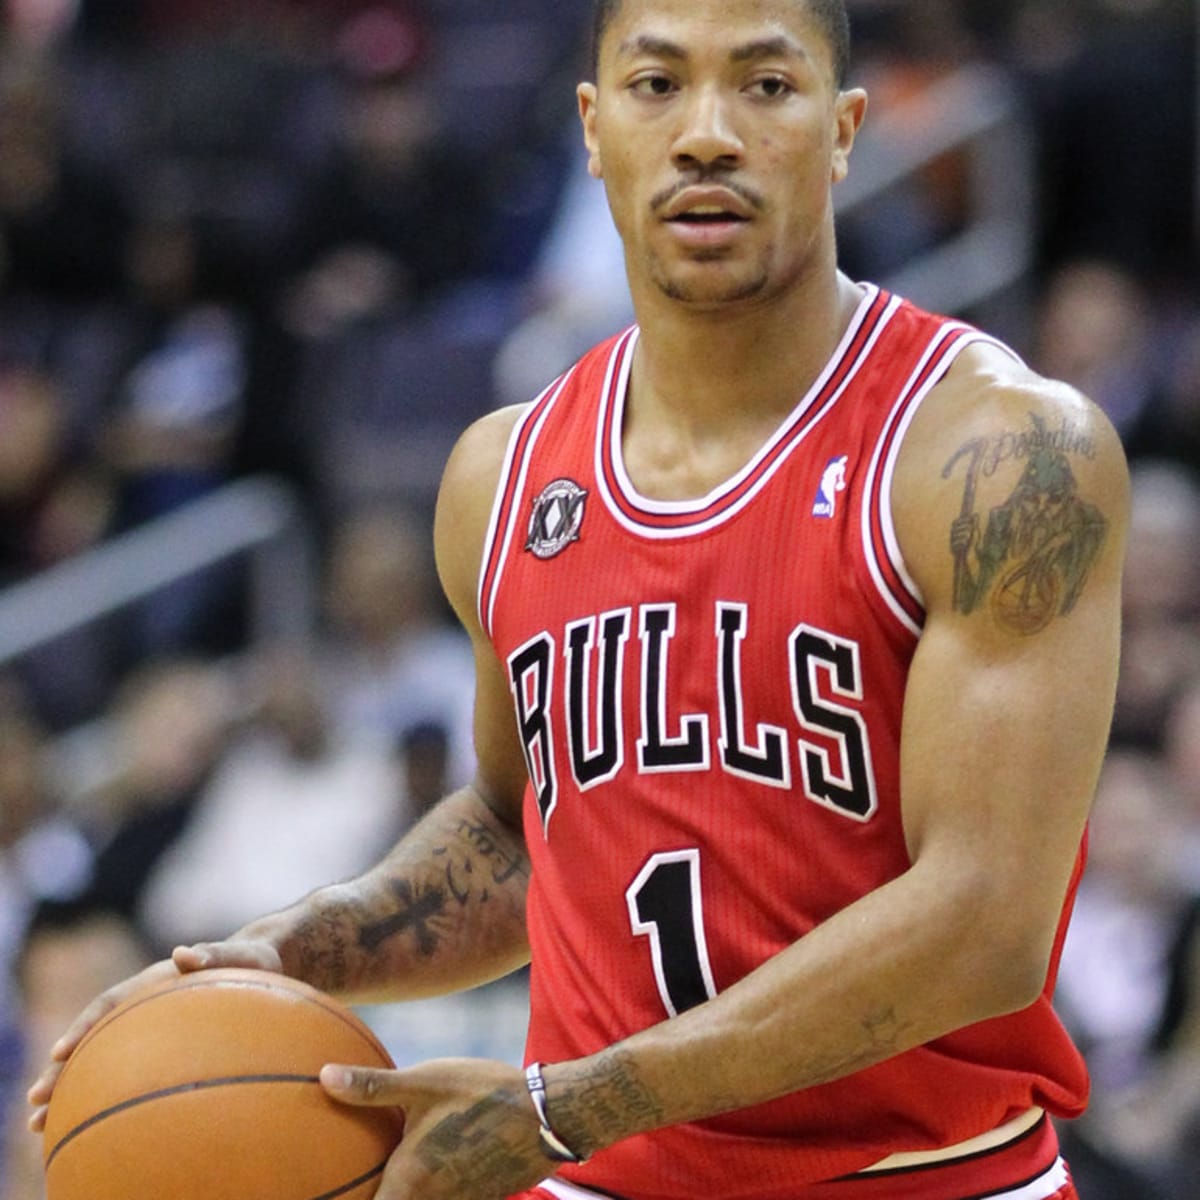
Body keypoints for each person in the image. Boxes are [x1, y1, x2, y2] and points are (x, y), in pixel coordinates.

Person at [28, 2, 1130, 1198]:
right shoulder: (503, 475)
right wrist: (293, 952)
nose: (708, 134)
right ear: (595, 131)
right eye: (659, 86)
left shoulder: (1001, 455)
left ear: (846, 128)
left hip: (922, 1181)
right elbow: (516, 835)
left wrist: (568, 1108)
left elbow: (984, 926)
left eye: (766, 87)